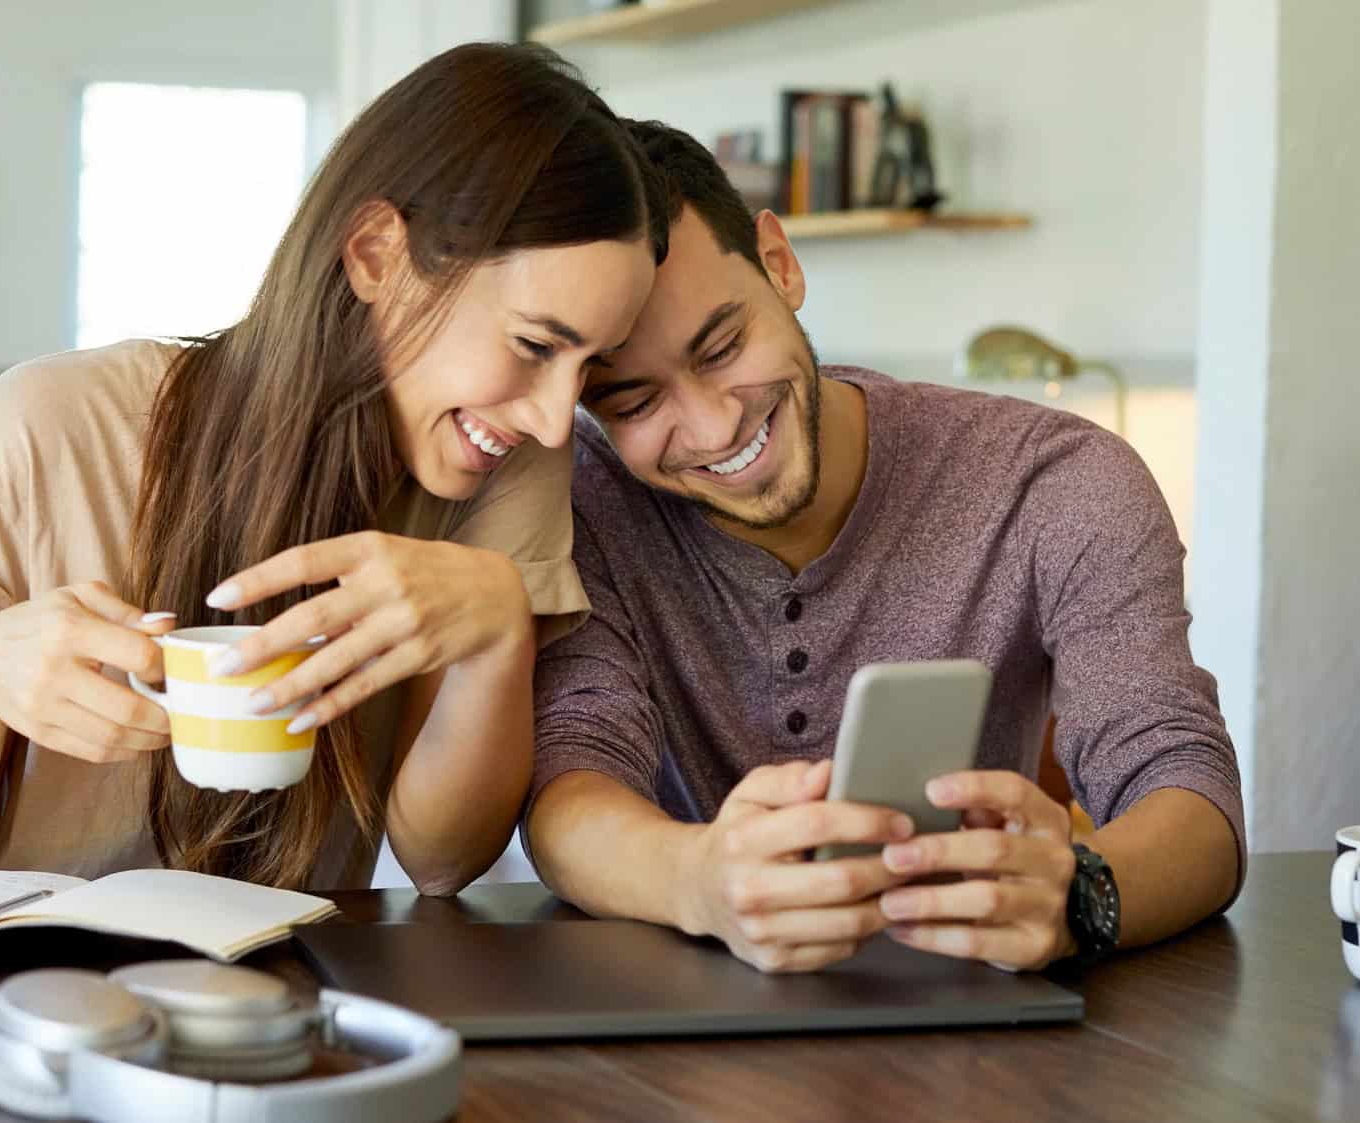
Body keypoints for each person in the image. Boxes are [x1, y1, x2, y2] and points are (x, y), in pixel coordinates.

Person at [0, 44, 665, 894]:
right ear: (377, 254)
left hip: (289, 996)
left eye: (588, 368)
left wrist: (493, 636)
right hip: (23, 994)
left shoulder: (506, 463)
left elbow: (441, 860)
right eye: (535, 344)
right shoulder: (42, 429)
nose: (550, 414)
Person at [524, 121, 1245, 972]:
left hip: (968, 1027)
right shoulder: (580, 509)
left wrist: (1080, 894)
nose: (714, 425)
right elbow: (569, 784)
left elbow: (1187, 788)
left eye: (722, 347)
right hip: (673, 1031)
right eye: (635, 402)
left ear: (779, 264)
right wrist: (700, 880)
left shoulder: (1057, 481)